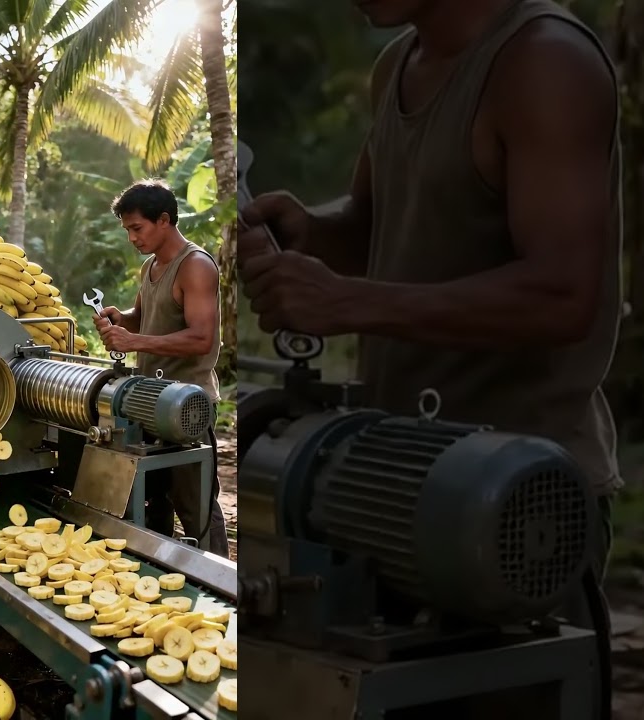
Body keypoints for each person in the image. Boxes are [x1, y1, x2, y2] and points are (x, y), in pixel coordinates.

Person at [239, 0, 620, 716]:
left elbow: (563, 295)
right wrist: (309, 232)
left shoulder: (544, 62)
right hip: (394, 486)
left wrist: (348, 302)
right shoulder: (399, 65)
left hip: (518, 503)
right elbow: (375, 229)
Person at [94, 179, 230, 558]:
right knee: (153, 500)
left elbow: (201, 338)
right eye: (127, 230)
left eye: (137, 228)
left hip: (188, 405)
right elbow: (144, 318)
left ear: (165, 220)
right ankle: (160, 573)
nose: (132, 238)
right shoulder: (151, 266)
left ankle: (221, 580)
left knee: (196, 508)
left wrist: (133, 342)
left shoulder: (195, 266)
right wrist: (121, 319)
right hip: (150, 401)